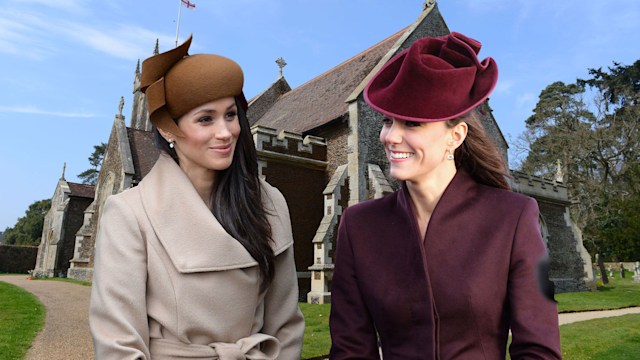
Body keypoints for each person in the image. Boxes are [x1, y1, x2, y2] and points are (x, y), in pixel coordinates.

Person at [329, 32, 561, 359]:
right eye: (387, 121)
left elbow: (539, 350)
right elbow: (350, 349)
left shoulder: (513, 217)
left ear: (456, 135)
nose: (391, 136)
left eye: (412, 123)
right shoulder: (359, 225)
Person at [89, 35, 305, 359]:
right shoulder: (129, 214)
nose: (225, 132)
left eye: (231, 115)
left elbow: (285, 326)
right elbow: (119, 345)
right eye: (206, 119)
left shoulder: (270, 204)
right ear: (166, 129)